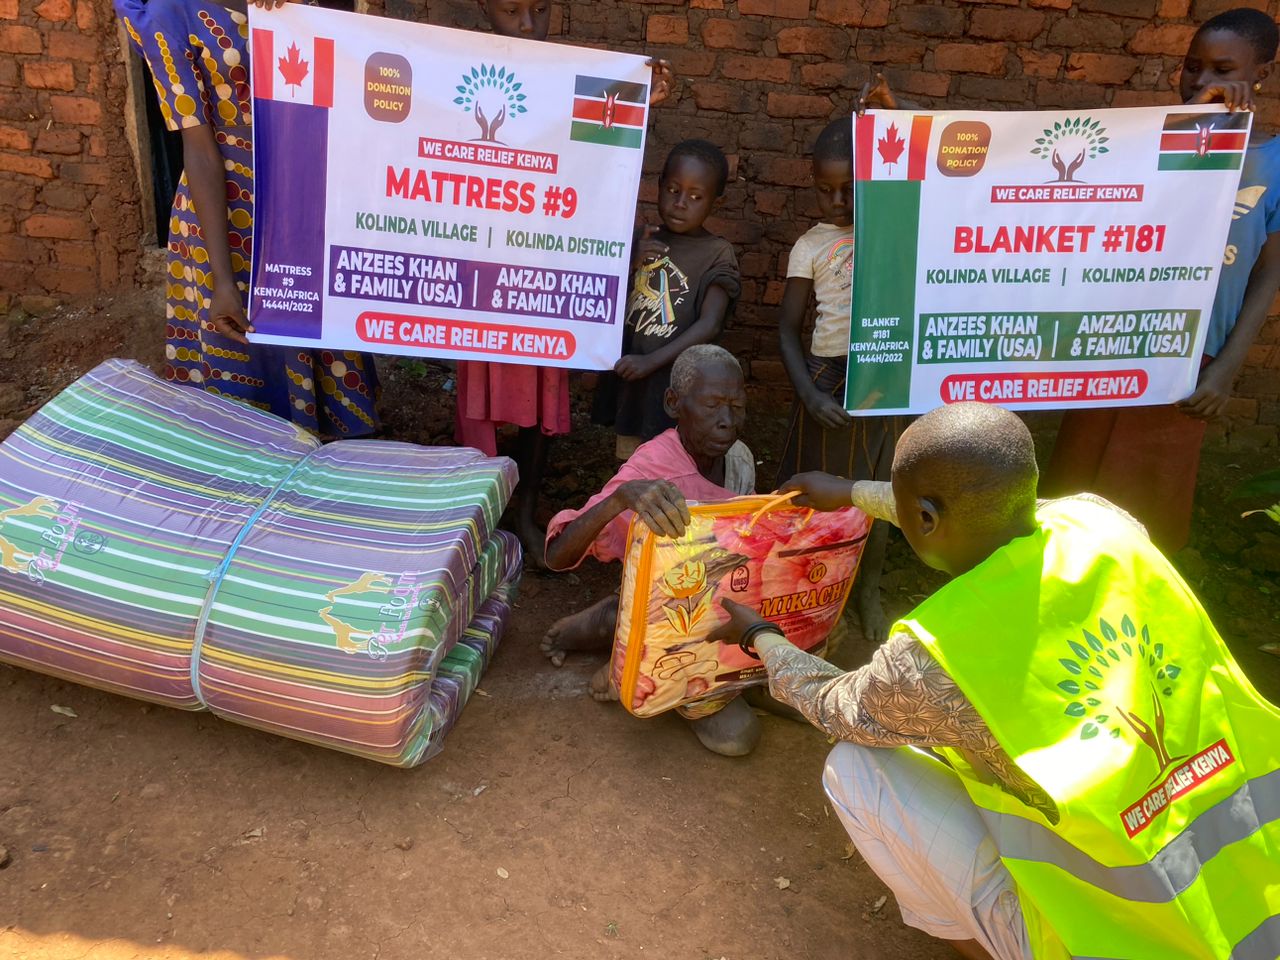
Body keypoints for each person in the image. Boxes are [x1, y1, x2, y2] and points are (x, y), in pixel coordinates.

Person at [708, 401, 1280, 960]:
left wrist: (761, 634)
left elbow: (830, 704)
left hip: (1107, 933)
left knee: (857, 769)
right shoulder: (1104, 524)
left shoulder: (934, 656)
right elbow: (986, 499)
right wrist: (853, 491)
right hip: (1256, 880)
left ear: (925, 521)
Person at [1044, 7, 1280, 554]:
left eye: (1222, 70)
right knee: (1072, 494)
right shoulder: (1147, 141)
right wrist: (1194, 121)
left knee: (1146, 505)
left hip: (1189, 357)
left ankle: (1130, 618)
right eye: (1191, 67)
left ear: (1262, 72)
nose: (1200, 81)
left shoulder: (1272, 162)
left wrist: (1225, 369)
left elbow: (1268, 275)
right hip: (1112, 342)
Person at [454, 0, 675, 563]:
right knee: (477, 397)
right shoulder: (453, 69)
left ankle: (526, 508)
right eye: (511, 11)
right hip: (478, 269)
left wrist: (640, 103)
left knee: (541, 388)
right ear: (485, 9)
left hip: (544, 269)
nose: (528, 24)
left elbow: (598, 160)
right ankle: (471, 513)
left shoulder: (569, 80)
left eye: (541, 8)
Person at [115, 0, 381, 437]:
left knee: (311, 328)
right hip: (223, 217)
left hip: (299, 202)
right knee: (242, 359)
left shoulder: (293, 7)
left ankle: (324, 477)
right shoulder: (170, 15)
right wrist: (223, 279)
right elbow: (199, 150)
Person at [540, 344, 761, 756]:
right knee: (737, 737)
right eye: (712, 405)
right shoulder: (651, 468)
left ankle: (618, 626)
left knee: (780, 670)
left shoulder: (740, 459)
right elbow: (557, 555)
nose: (727, 422)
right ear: (673, 403)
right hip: (673, 616)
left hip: (709, 606)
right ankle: (629, 648)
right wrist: (619, 498)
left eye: (737, 407)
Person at [776, 81, 905, 646]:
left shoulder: (891, 230)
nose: (838, 203)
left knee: (877, 488)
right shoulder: (808, 245)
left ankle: (867, 590)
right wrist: (810, 394)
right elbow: (787, 329)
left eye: (850, 190)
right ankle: (810, 586)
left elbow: (913, 180)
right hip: (827, 375)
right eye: (825, 191)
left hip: (881, 371)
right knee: (824, 489)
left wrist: (891, 115)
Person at [595, 140, 741, 461]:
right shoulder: (641, 239)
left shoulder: (717, 254)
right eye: (673, 189)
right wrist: (628, 262)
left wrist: (652, 361)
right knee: (630, 460)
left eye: (695, 196)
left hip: (676, 386)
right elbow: (599, 295)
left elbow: (710, 323)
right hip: (632, 381)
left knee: (672, 461)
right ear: (659, 185)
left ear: (715, 200)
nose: (680, 203)